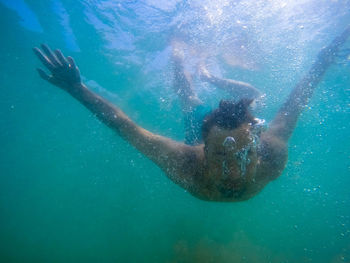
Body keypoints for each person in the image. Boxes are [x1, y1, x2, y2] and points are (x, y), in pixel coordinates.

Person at [33, 25, 350, 202]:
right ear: (202, 151)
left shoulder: (273, 155)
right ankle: (177, 48)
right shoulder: (184, 162)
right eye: (220, 158)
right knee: (187, 93)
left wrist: (325, 56)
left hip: (219, 130)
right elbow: (125, 127)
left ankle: (198, 66)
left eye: (242, 156)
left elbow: (296, 102)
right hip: (201, 125)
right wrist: (77, 89)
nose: (232, 174)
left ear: (257, 148)